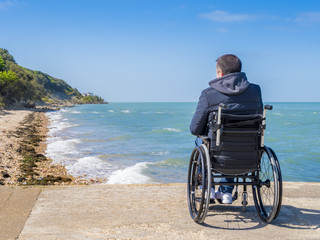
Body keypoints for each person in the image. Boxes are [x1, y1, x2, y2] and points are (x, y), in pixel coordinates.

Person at [190, 54, 263, 204]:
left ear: (220, 73)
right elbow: (259, 116)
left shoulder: (209, 94)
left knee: (201, 141)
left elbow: (195, 128)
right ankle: (226, 193)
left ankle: (208, 189)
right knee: (236, 140)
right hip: (248, 153)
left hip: (219, 154)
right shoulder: (256, 91)